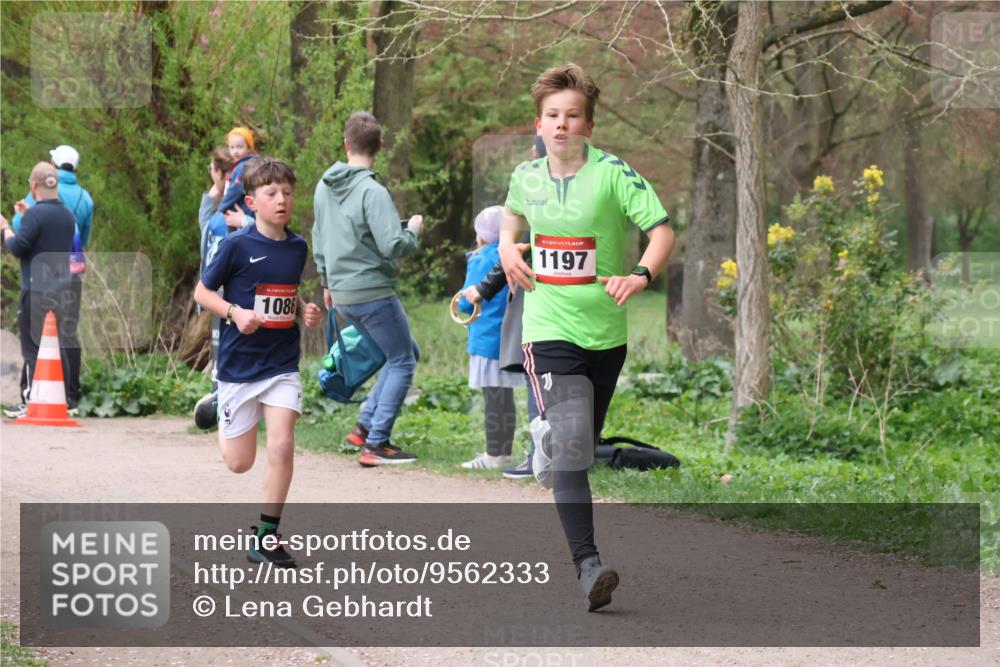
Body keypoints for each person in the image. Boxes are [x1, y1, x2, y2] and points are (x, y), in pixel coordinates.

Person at [499, 64, 676, 611]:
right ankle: (588, 567)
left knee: (578, 446)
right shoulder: (525, 177)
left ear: (589, 125)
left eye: (572, 116)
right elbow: (511, 214)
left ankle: (548, 436)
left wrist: (640, 275)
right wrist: (508, 246)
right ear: (539, 123)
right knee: (574, 448)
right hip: (548, 329)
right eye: (553, 116)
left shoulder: (614, 175)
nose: (561, 125)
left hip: (607, 335)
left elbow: (662, 231)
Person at [194, 157, 322, 567]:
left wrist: (304, 310)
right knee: (239, 463)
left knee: (282, 445)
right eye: (271, 193)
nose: (281, 199)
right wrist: (234, 313)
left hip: (281, 362)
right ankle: (217, 405)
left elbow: (288, 292)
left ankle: (266, 538)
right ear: (252, 202)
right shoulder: (236, 246)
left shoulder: (298, 246)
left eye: (287, 192)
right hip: (238, 365)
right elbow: (202, 293)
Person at [312, 111, 424, 467]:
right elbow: (393, 244)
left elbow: (320, 236)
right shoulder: (372, 191)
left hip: (342, 293)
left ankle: (363, 427)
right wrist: (415, 231)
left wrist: (326, 281)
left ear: (346, 144)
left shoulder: (324, 186)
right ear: (381, 146)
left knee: (405, 350)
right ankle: (377, 442)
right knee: (403, 360)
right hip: (372, 292)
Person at [4, 145, 93, 417]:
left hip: (36, 288)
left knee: (33, 346)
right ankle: (65, 399)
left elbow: (20, 245)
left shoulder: (35, 212)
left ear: (34, 185)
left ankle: (30, 400)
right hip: (63, 285)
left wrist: (6, 227)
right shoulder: (70, 212)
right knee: (61, 342)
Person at [455, 206, 536, 470]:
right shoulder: (517, 256)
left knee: (493, 399)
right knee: (505, 398)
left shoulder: (480, 260)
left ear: (480, 235)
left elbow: (467, 304)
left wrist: (464, 299)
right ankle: (502, 453)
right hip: (509, 339)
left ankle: (495, 456)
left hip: (486, 340)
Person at [192, 147, 236, 429]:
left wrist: (225, 178)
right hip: (213, 290)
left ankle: (225, 402)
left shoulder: (230, 218)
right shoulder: (218, 216)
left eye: (213, 170)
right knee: (219, 348)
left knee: (226, 348)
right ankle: (219, 401)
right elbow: (204, 219)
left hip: (225, 292)